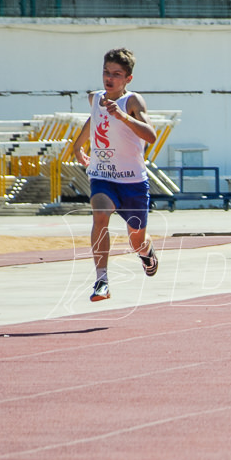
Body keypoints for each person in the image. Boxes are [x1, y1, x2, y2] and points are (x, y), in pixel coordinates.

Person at [72, 47, 159, 302]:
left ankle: (147, 252)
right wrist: (78, 145)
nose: (109, 78)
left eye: (116, 74)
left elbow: (151, 136)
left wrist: (122, 116)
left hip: (132, 181)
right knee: (100, 215)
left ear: (128, 79)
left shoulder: (132, 102)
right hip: (103, 175)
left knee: (137, 240)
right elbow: (94, 119)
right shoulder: (95, 98)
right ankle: (102, 281)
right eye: (106, 72)